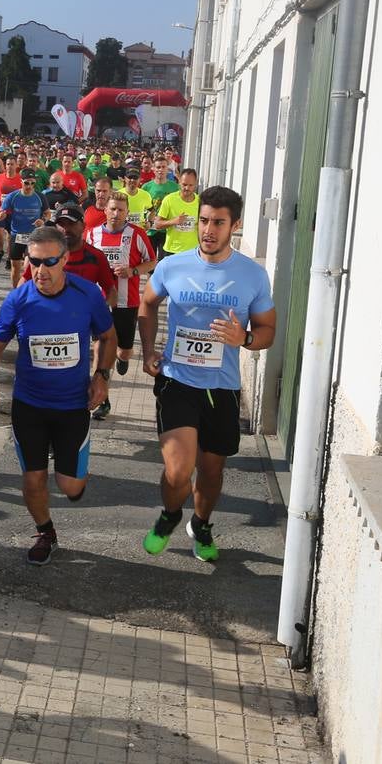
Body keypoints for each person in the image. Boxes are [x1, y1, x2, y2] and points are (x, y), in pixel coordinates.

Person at [139, 187, 276, 562]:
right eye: (203, 221)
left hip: (223, 388)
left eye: (218, 222)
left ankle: (200, 523)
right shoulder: (172, 266)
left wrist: (244, 338)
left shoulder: (253, 275)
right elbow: (147, 304)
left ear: (235, 225)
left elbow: (268, 330)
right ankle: (169, 515)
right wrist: (149, 350)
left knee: (212, 471)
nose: (208, 230)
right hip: (177, 381)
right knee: (178, 470)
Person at [0, 226, 117, 564]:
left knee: (71, 488)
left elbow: (108, 336)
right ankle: (45, 532)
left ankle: (72, 467)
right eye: (34, 261)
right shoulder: (19, 299)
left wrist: (101, 376)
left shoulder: (87, 295)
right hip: (30, 405)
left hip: (73, 404)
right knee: (33, 478)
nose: (40, 270)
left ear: (65, 259)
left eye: (49, 262)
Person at [87, 193, 156, 419]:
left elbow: (152, 262)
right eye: (113, 209)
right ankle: (102, 399)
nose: (116, 214)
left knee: (124, 349)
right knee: (100, 346)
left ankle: (122, 357)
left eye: (121, 210)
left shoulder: (136, 234)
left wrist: (132, 271)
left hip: (126, 301)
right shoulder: (93, 233)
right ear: (105, 210)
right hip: (99, 300)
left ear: (127, 213)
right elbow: (86, 261)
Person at [0, 168, 46, 288]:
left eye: (33, 183)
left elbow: (47, 212)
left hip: (33, 236)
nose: (30, 186)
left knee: (29, 266)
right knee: (15, 266)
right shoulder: (13, 196)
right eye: (27, 183)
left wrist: (42, 220)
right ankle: (16, 292)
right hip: (16, 235)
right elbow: (0, 213)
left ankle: (29, 291)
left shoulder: (40, 196)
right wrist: (0, 216)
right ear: (21, 182)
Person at [153, 168, 200, 259]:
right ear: (179, 182)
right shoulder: (169, 199)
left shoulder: (201, 202)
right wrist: (173, 221)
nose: (187, 188)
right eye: (184, 184)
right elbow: (157, 224)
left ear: (195, 184)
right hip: (172, 250)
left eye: (191, 185)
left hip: (193, 251)